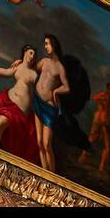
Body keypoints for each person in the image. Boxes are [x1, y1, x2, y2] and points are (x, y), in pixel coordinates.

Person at [0, 46, 41, 164]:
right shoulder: (18, 66)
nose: (33, 57)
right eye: (31, 53)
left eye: (34, 55)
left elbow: (42, 87)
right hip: (7, 101)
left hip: (19, 109)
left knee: (0, 122)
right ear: (25, 53)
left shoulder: (33, 74)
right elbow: (5, 72)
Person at [33, 35, 71, 173]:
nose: (45, 46)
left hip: (49, 107)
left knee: (46, 143)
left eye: (47, 43)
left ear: (54, 45)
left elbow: (67, 87)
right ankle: (44, 174)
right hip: (37, 101)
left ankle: (52, 176)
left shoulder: (60, 67)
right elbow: (32, 69)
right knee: (39, 142)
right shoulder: (43, 61)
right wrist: (21, 62)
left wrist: (55, 91)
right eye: (45, 43)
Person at [80, 83, 110, 174]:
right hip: (99, 121)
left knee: (106, 146)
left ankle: (101, 166)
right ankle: (83, 156)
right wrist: (101, 102)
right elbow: (95, 98)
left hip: (105, 123)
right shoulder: (103, 96)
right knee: (92, 138)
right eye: (109, 90)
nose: (109, 92)